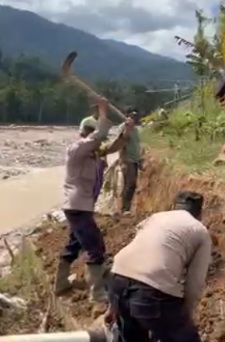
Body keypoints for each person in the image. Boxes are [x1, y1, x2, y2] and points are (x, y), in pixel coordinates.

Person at [105, 191, 212, 342]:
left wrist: (112, 306)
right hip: (150, 291)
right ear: (199, 214)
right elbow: (195, 283)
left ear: (174, 207)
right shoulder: (200, 231)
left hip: (117, 280)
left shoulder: (156, 217)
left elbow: (136, 248)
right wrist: (183, 317)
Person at [56, 98, 133, 302]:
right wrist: (103, 111)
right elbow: (100, 136)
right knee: (95, 246)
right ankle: (97, 292)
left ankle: (61, 283)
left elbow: (115, 145)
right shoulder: (76, 150)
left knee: (74, 244)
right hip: (77, 206)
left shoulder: (93, 153)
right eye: (90, 133)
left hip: (82, 206)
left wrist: (126, 130)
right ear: (83, 133)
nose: (93, 137)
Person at [118, 107, 142, 214]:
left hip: (135, 161)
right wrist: (122, 162)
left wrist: (140, 160)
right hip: (128, 160)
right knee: (130, 184)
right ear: (126, 116)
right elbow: (121, 144)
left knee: (132, 185)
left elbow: (137, 145)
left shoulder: (136, 130)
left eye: (134, 117)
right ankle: (124, 208)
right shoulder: (123, 128)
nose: (133, 118)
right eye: (131, 116)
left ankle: (127, 208)